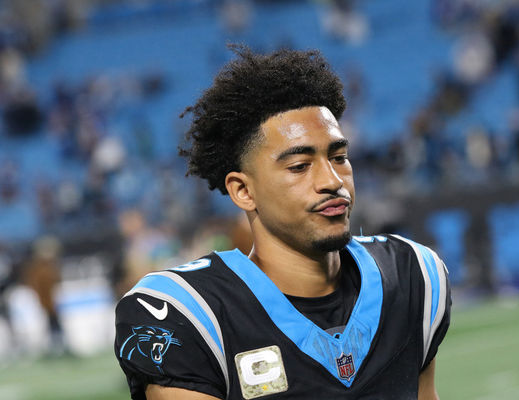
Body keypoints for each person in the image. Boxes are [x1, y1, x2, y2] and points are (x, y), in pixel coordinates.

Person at [114, 46, 451, 400]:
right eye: (299, 166)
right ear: (243, 190)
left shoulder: (413, 275)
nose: (332, 180)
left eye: (339, 157)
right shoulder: (188, 314)